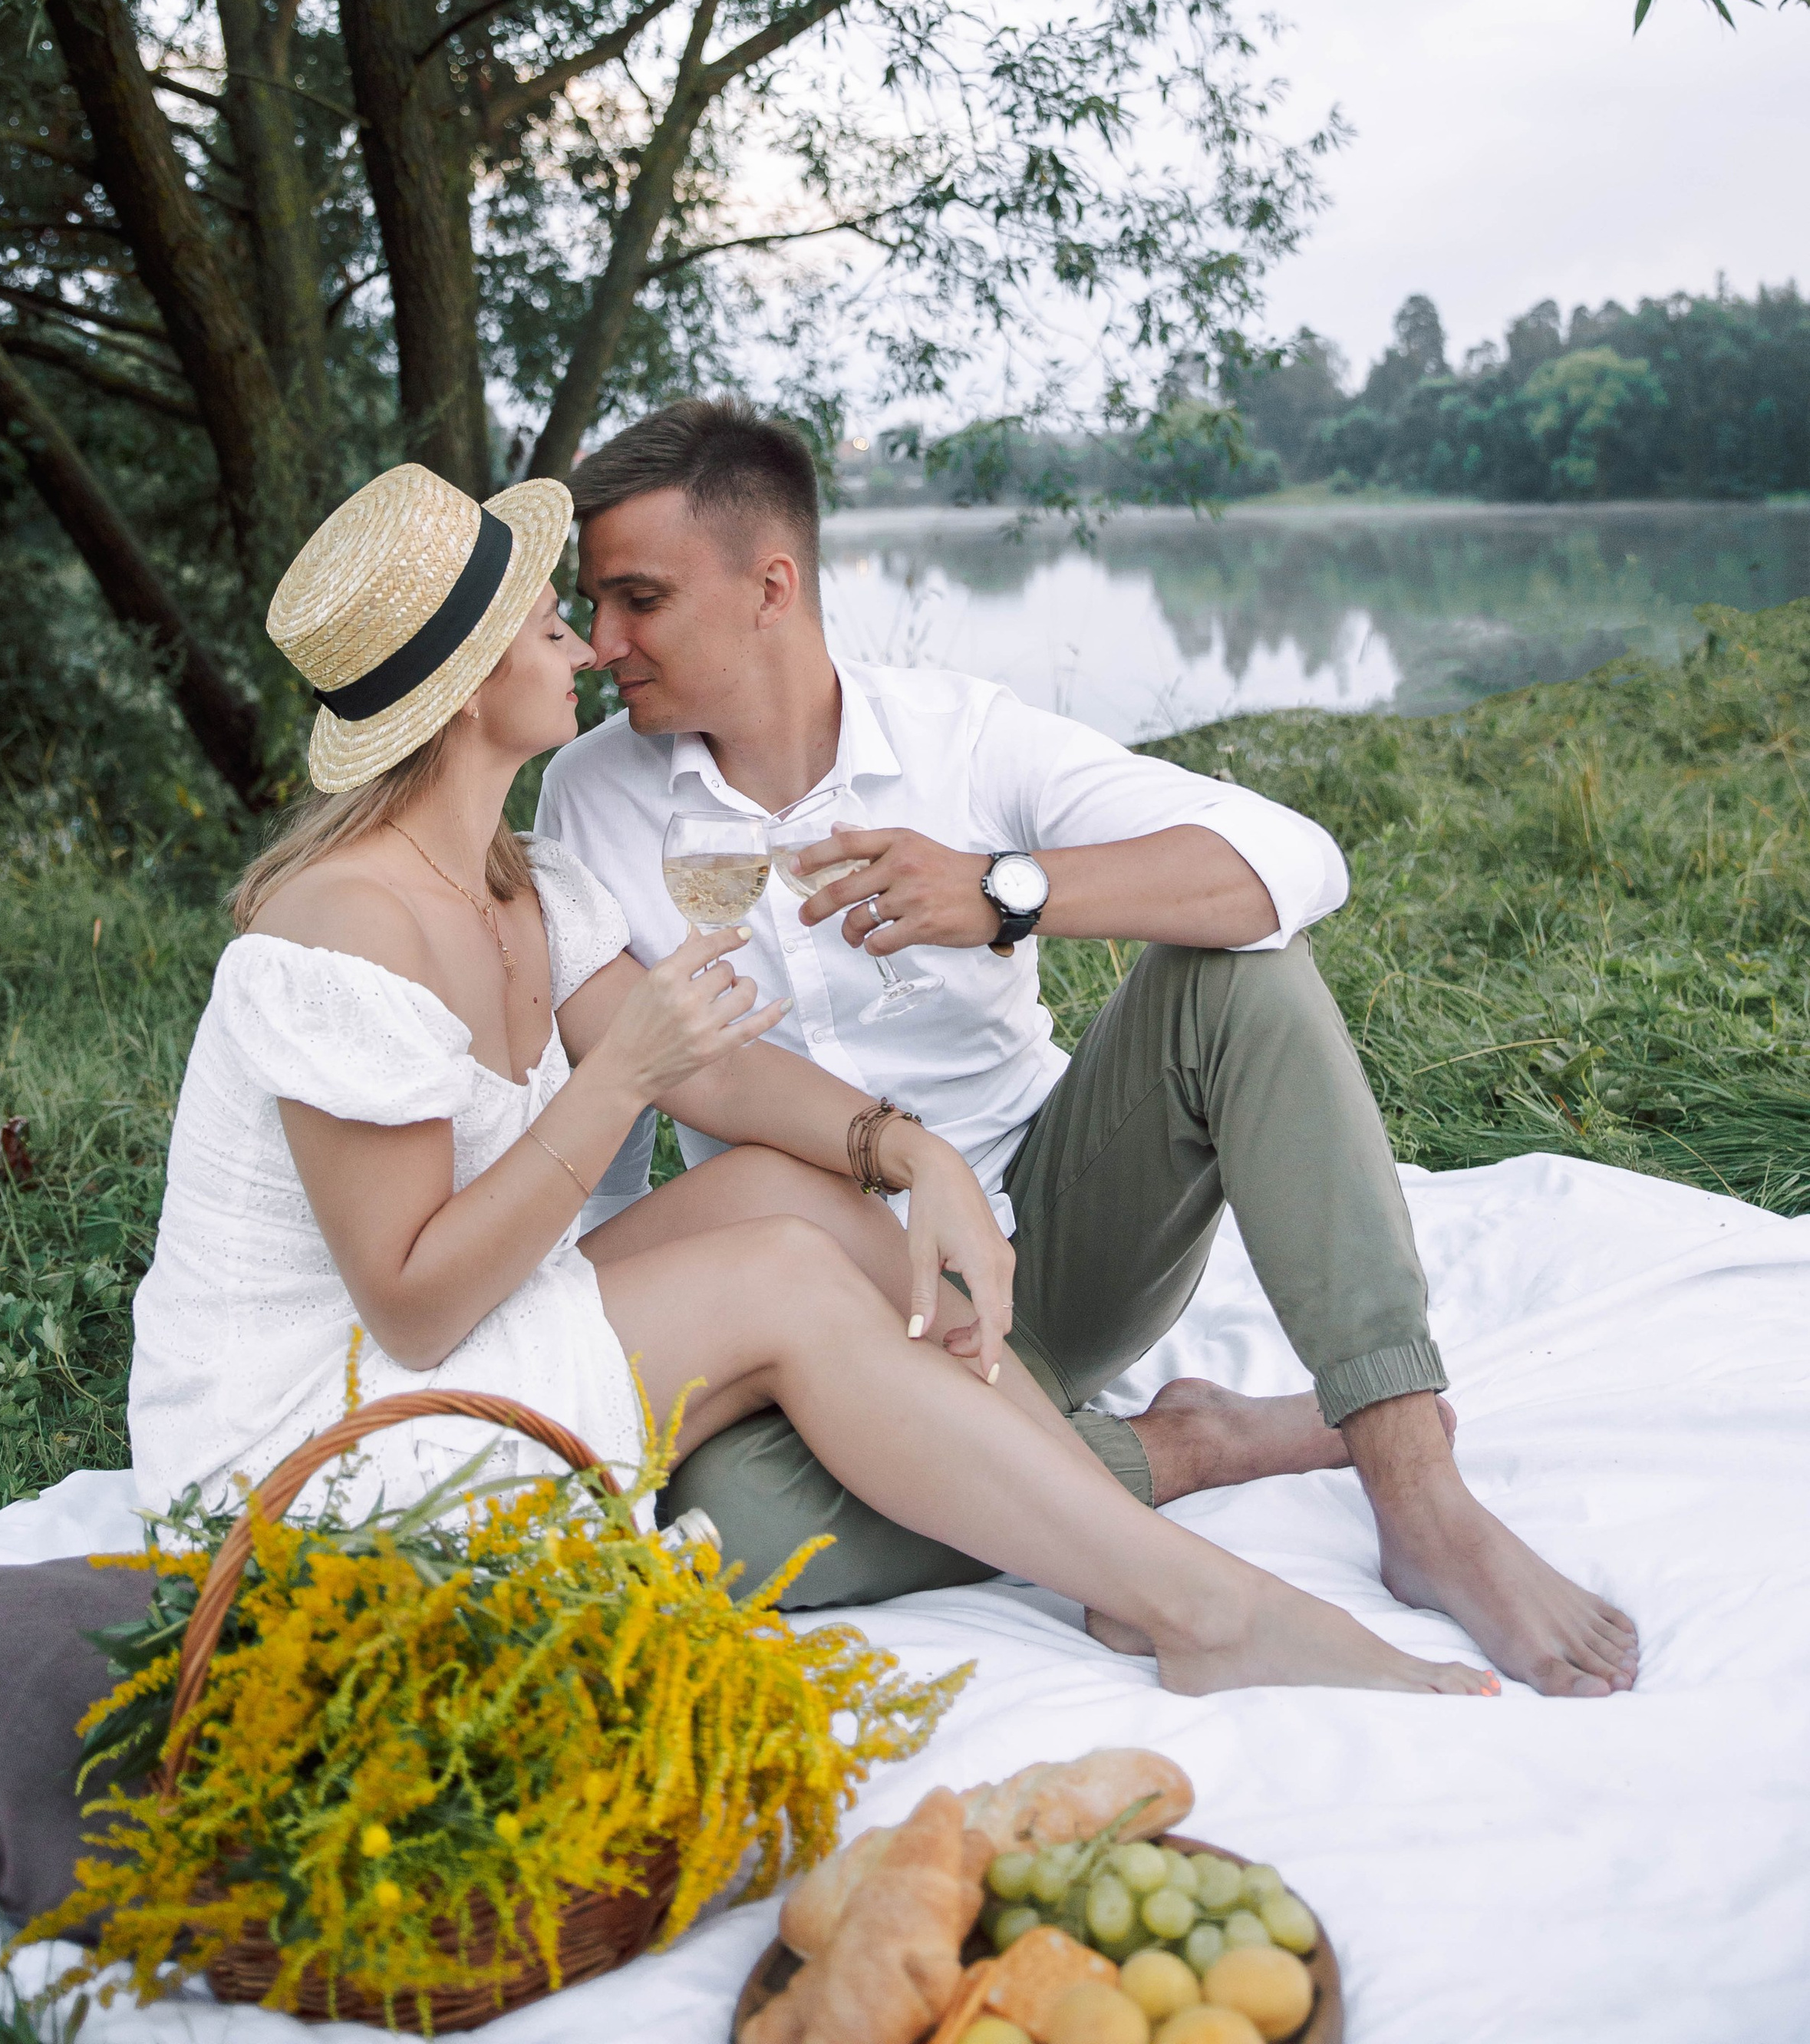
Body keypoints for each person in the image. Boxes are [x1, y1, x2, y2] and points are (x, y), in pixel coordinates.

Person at [129, 459, 1503, 1696]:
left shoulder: (524, 879)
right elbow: (417, 1308)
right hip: (318, 1429)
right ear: (474, 683)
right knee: (776, 1288)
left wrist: (909, 1150)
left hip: (492, 1327)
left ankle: (1141, 1566)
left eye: (609, 608)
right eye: (554, 624)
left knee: (794, 1200)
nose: (589, 646)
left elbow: (718, 1084)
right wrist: (616, 1087)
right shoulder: (345, 929)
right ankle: (1197, 1599)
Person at [535, 401, 1641, 1699]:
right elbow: (621, 1096)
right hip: (831, 1317)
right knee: (724, 1531)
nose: (602, 643)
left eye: (640, 600)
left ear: (771, 587)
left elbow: (1293, 862)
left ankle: (1418, 1488)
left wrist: (1006, 890)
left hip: (1053, 1241)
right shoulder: (590, 796)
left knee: (1243, 972)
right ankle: (1187, 1451)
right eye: (594, 605)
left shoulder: (962, 737)